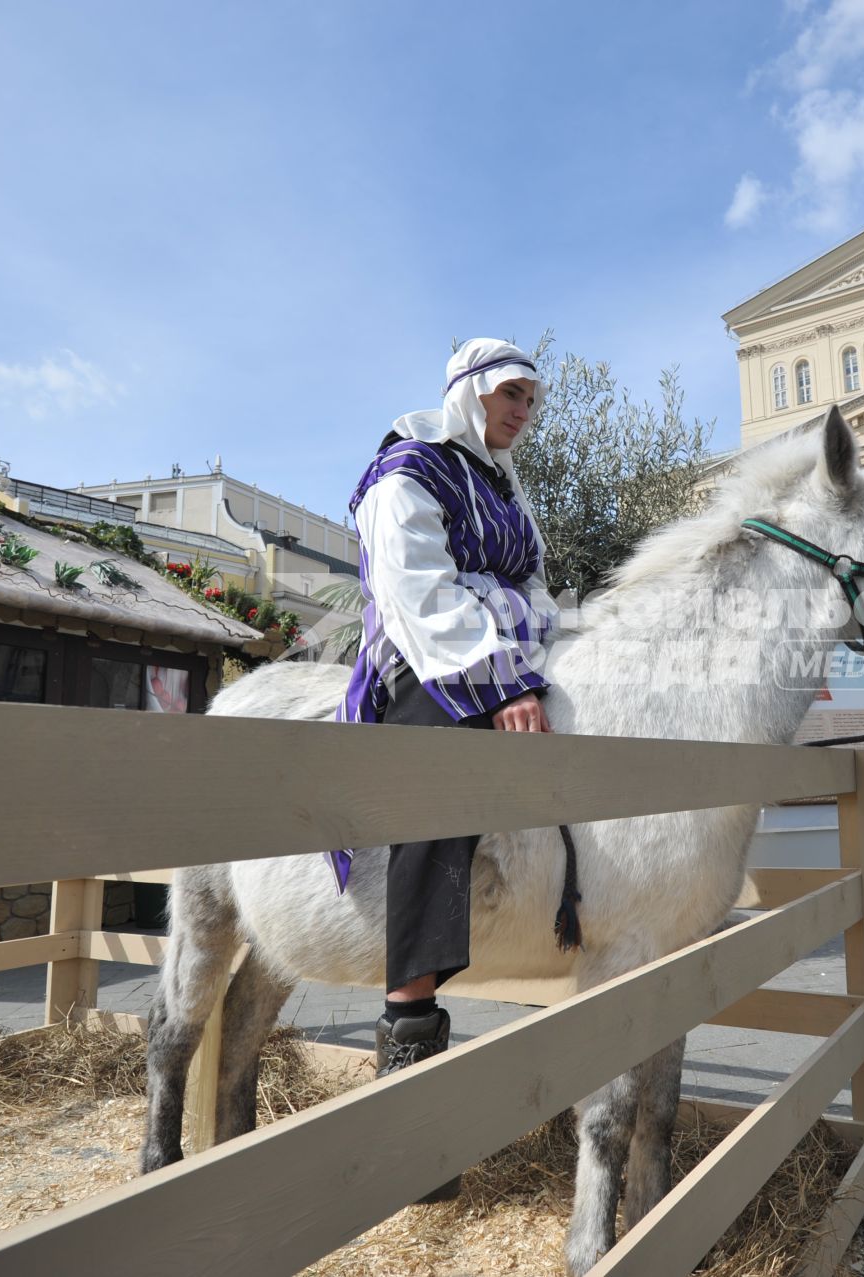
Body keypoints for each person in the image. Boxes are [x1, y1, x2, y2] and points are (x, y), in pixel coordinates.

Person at [335, 339, 559, 1117]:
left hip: (502, 652)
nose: (523, 411)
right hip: (421, 663)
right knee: (440, 775)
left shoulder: (503, 487)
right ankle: (408, 1016)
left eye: (531, 398)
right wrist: (501, 680)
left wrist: (506, 614)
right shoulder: (406, 473)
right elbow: (421, 597)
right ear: (470, 391)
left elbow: (537, 588)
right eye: (512, 394)